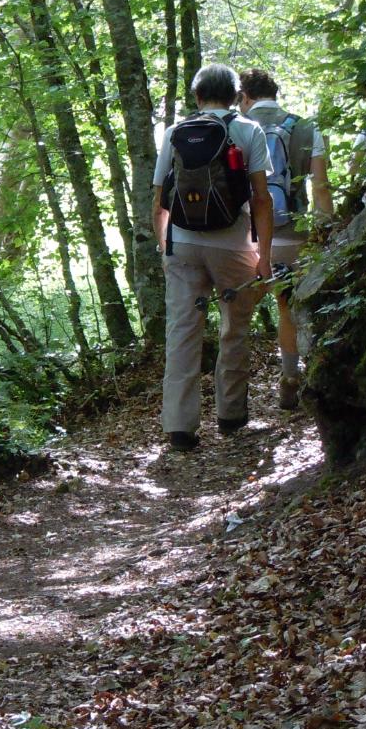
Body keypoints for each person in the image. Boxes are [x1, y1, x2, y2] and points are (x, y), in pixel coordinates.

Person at [151, 63, 273, 452]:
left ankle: (180, 427)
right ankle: (231, 415)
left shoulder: (174, 133)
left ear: (197, 96)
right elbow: (262, 199)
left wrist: (165, 247)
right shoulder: (249, 130)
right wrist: (264, 255)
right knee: (233, 327)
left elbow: (159, 202)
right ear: (237, 96)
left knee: (182, 333)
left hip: (183, 246)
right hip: (234, 246)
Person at [238, 68, 335, 411]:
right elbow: (321, 187)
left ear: (244, 97)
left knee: (282, 307)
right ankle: (305, 374)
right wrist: (327, 233)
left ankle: (287, 379)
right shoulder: (306, 127)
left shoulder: (239, 131)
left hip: (256, 239)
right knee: (307, 306)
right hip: (298, 233)